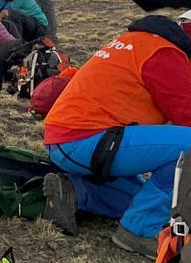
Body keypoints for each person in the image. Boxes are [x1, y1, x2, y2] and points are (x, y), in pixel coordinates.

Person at [41, 14, 191, 258]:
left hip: (67, 138)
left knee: (140, 199)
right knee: (189, 148)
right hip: (89, 140)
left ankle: (75, 193)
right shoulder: (165, 54)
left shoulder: (139, 42)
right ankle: (138, 232)